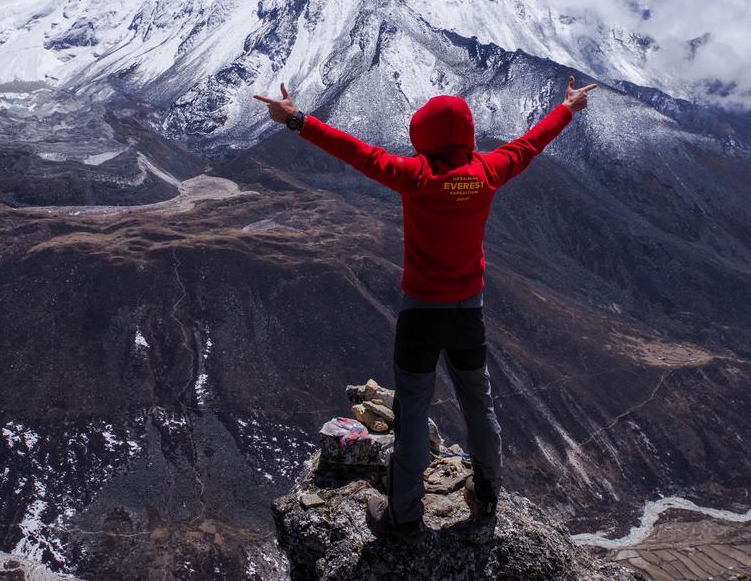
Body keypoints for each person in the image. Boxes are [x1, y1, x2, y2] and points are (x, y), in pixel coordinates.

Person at [252, 76, 599, 540]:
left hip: (420, 315)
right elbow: (529, 144)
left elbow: (356, 152)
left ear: (424, 136)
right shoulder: (490, 171)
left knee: (412, 411)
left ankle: (403, 513)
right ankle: (487, 502)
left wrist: (297, 119)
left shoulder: (414, 176)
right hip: (467, 314)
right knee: (480, 406)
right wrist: (567, 108)